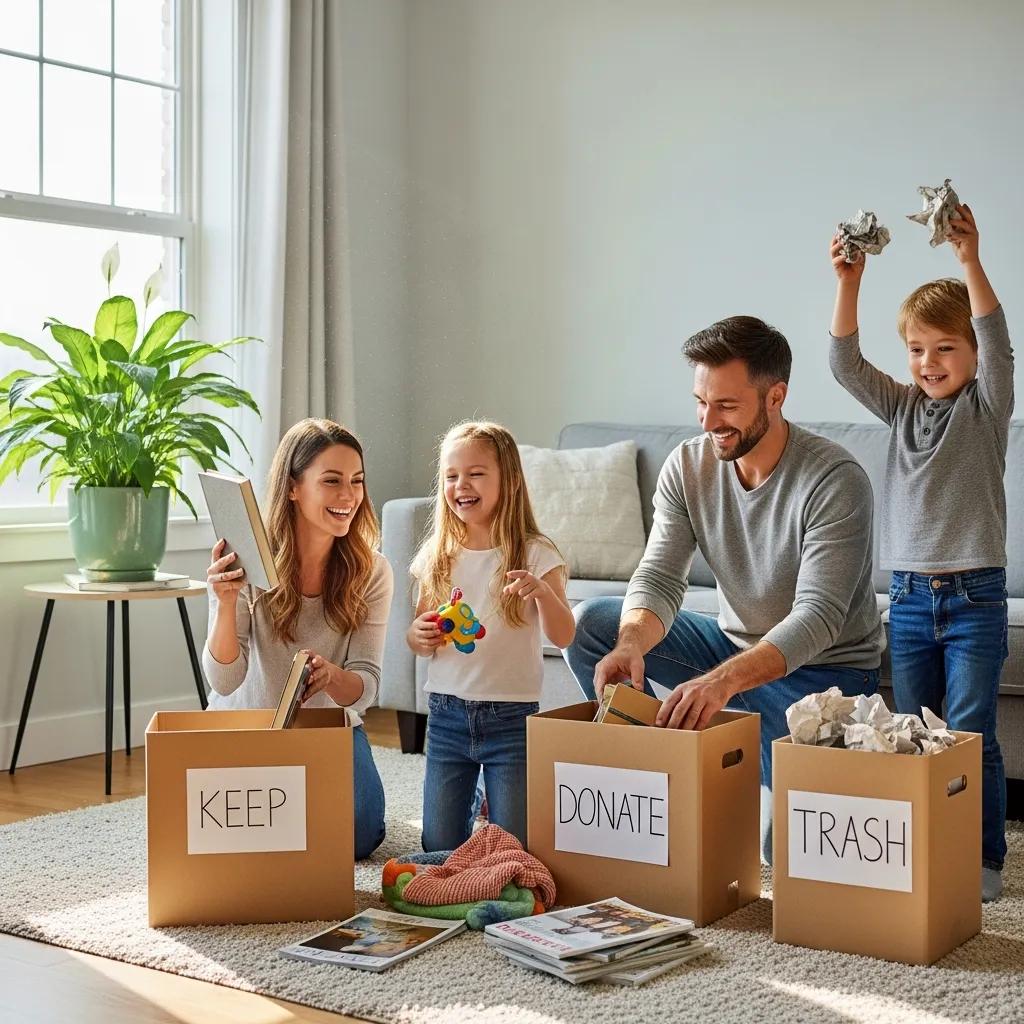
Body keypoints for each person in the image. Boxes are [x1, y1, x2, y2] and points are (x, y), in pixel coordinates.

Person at [564, 317, 885, 863]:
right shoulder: (688, 466)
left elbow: (819, 616)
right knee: (595, 622)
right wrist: (631, 643)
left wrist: (720, 684)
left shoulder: (835, 479)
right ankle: (674, 764)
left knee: (783, 856)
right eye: (700, 402)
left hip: (821, 680)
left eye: (727, 406)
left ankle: (744, 759)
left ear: (775, 396)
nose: (709, 421)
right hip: (731, 653)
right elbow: (660, 576)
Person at [829, 201, 1012, 902]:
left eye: (945, 348)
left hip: (973, 598)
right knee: (910, 734)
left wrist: (968, 258)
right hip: (906, 600)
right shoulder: (902, 407)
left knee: (969, 735)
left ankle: (984, 860)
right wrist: (850, 280)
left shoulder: (986, 407)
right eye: (917, 349)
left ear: (969, 355)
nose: (929, 362)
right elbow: (844, 364)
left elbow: (999, 342)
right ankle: (919, 850)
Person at [202, 418, 392, 859]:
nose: (348, 495)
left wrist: (333, 678)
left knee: (361, 835)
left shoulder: (372, 571)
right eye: (331, 481)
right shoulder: (243, 558)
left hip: (329, 725)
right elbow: (225, 681)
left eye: (357, 481)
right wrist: (226, 602)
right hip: (249, 724)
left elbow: (366, 685)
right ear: (293, 487)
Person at [407, 421, 575, 849]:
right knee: (439, 848)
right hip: (446, 715)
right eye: (451, 476)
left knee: (513, 848)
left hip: (512, 719)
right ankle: (477, 797)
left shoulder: (536, 552)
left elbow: (564, 635)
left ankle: (488, 797)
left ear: (509, 480)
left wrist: (541, 594)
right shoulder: (436, 554)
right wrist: (419, 634)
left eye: (476, 473)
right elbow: (419, 634)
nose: (461, 484)